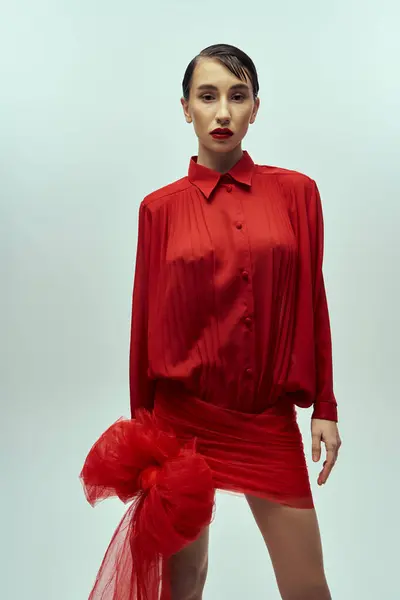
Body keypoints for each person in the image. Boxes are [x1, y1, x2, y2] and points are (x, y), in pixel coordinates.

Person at [80, 43, 342, 600]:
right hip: (182, 427)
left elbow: (313, 302)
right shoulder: (159, 209)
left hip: (266, 419)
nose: (222, 112)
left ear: (255, 107)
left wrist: (326, 406)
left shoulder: (298, 194)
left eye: (237, 95)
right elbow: (143, 324)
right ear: (185, 108)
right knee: (183, 582)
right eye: (207, 96)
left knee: (307, 586)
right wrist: (143, 438)